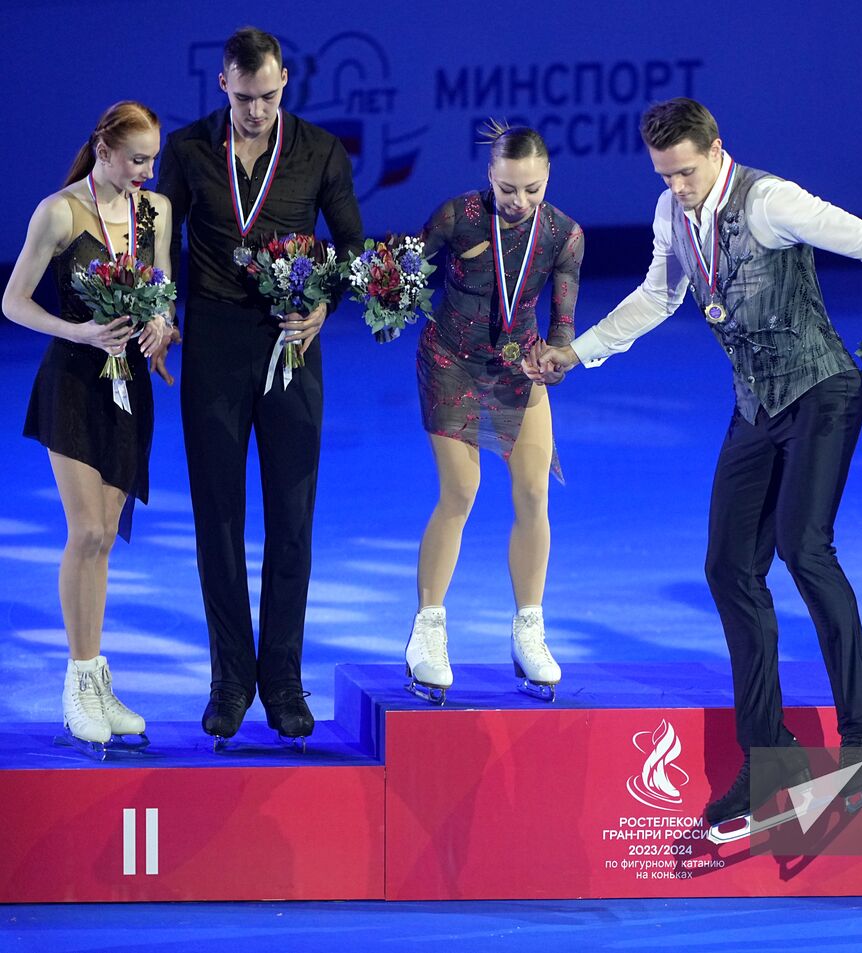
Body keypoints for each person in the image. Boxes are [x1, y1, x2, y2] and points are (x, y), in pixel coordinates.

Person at [525, 97, 862, 836]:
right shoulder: (672, 214)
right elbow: (659, 296)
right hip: (756, 407)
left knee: (804, 547)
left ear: (716, 149)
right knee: (728, 567)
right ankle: (769, 755)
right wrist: (579, 350)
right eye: (665, 176)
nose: (678, 188)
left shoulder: (772, 201)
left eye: (687, 173)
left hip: (822, 391)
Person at [157, 27, 363, 748]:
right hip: (213, 344)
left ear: (286, 81)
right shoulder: (184, 152)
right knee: (218, 518)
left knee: (292, 520)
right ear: (223, 86)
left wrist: (323, 308)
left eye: (268, 96)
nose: (256, 110)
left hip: (291, 347)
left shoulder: (321, 151)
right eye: (244, 98)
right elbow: (159, 248)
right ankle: (228, 680)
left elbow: (352, 249)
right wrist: (157, 314)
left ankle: (281, 681)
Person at [2, 101, 175, 756]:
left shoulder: (154, 212)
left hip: (129, 388)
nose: (146, 170)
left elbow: (162, 288)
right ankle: (77, 685)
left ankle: (99, 678)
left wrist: (161, 322)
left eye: (152, 159)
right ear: (103, 151)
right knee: (90, 530)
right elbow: (12, 299)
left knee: (107, 541)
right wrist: (75, 328)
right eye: (137, 158)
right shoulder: (59, 212)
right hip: (72, 383)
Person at [403, 123, 584, 704]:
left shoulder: (563, 235)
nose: (519, 202)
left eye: (531, 190)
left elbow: (561, 325)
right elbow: (404, 271)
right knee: (461, 490)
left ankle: (529, 629)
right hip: (450, 360)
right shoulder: (456, 216)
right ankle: (427, 629)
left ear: (547, 179)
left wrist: (556, 359)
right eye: (508, 189)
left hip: (516, 365)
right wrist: (387, 293)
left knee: (533, 493)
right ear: (490, 176)